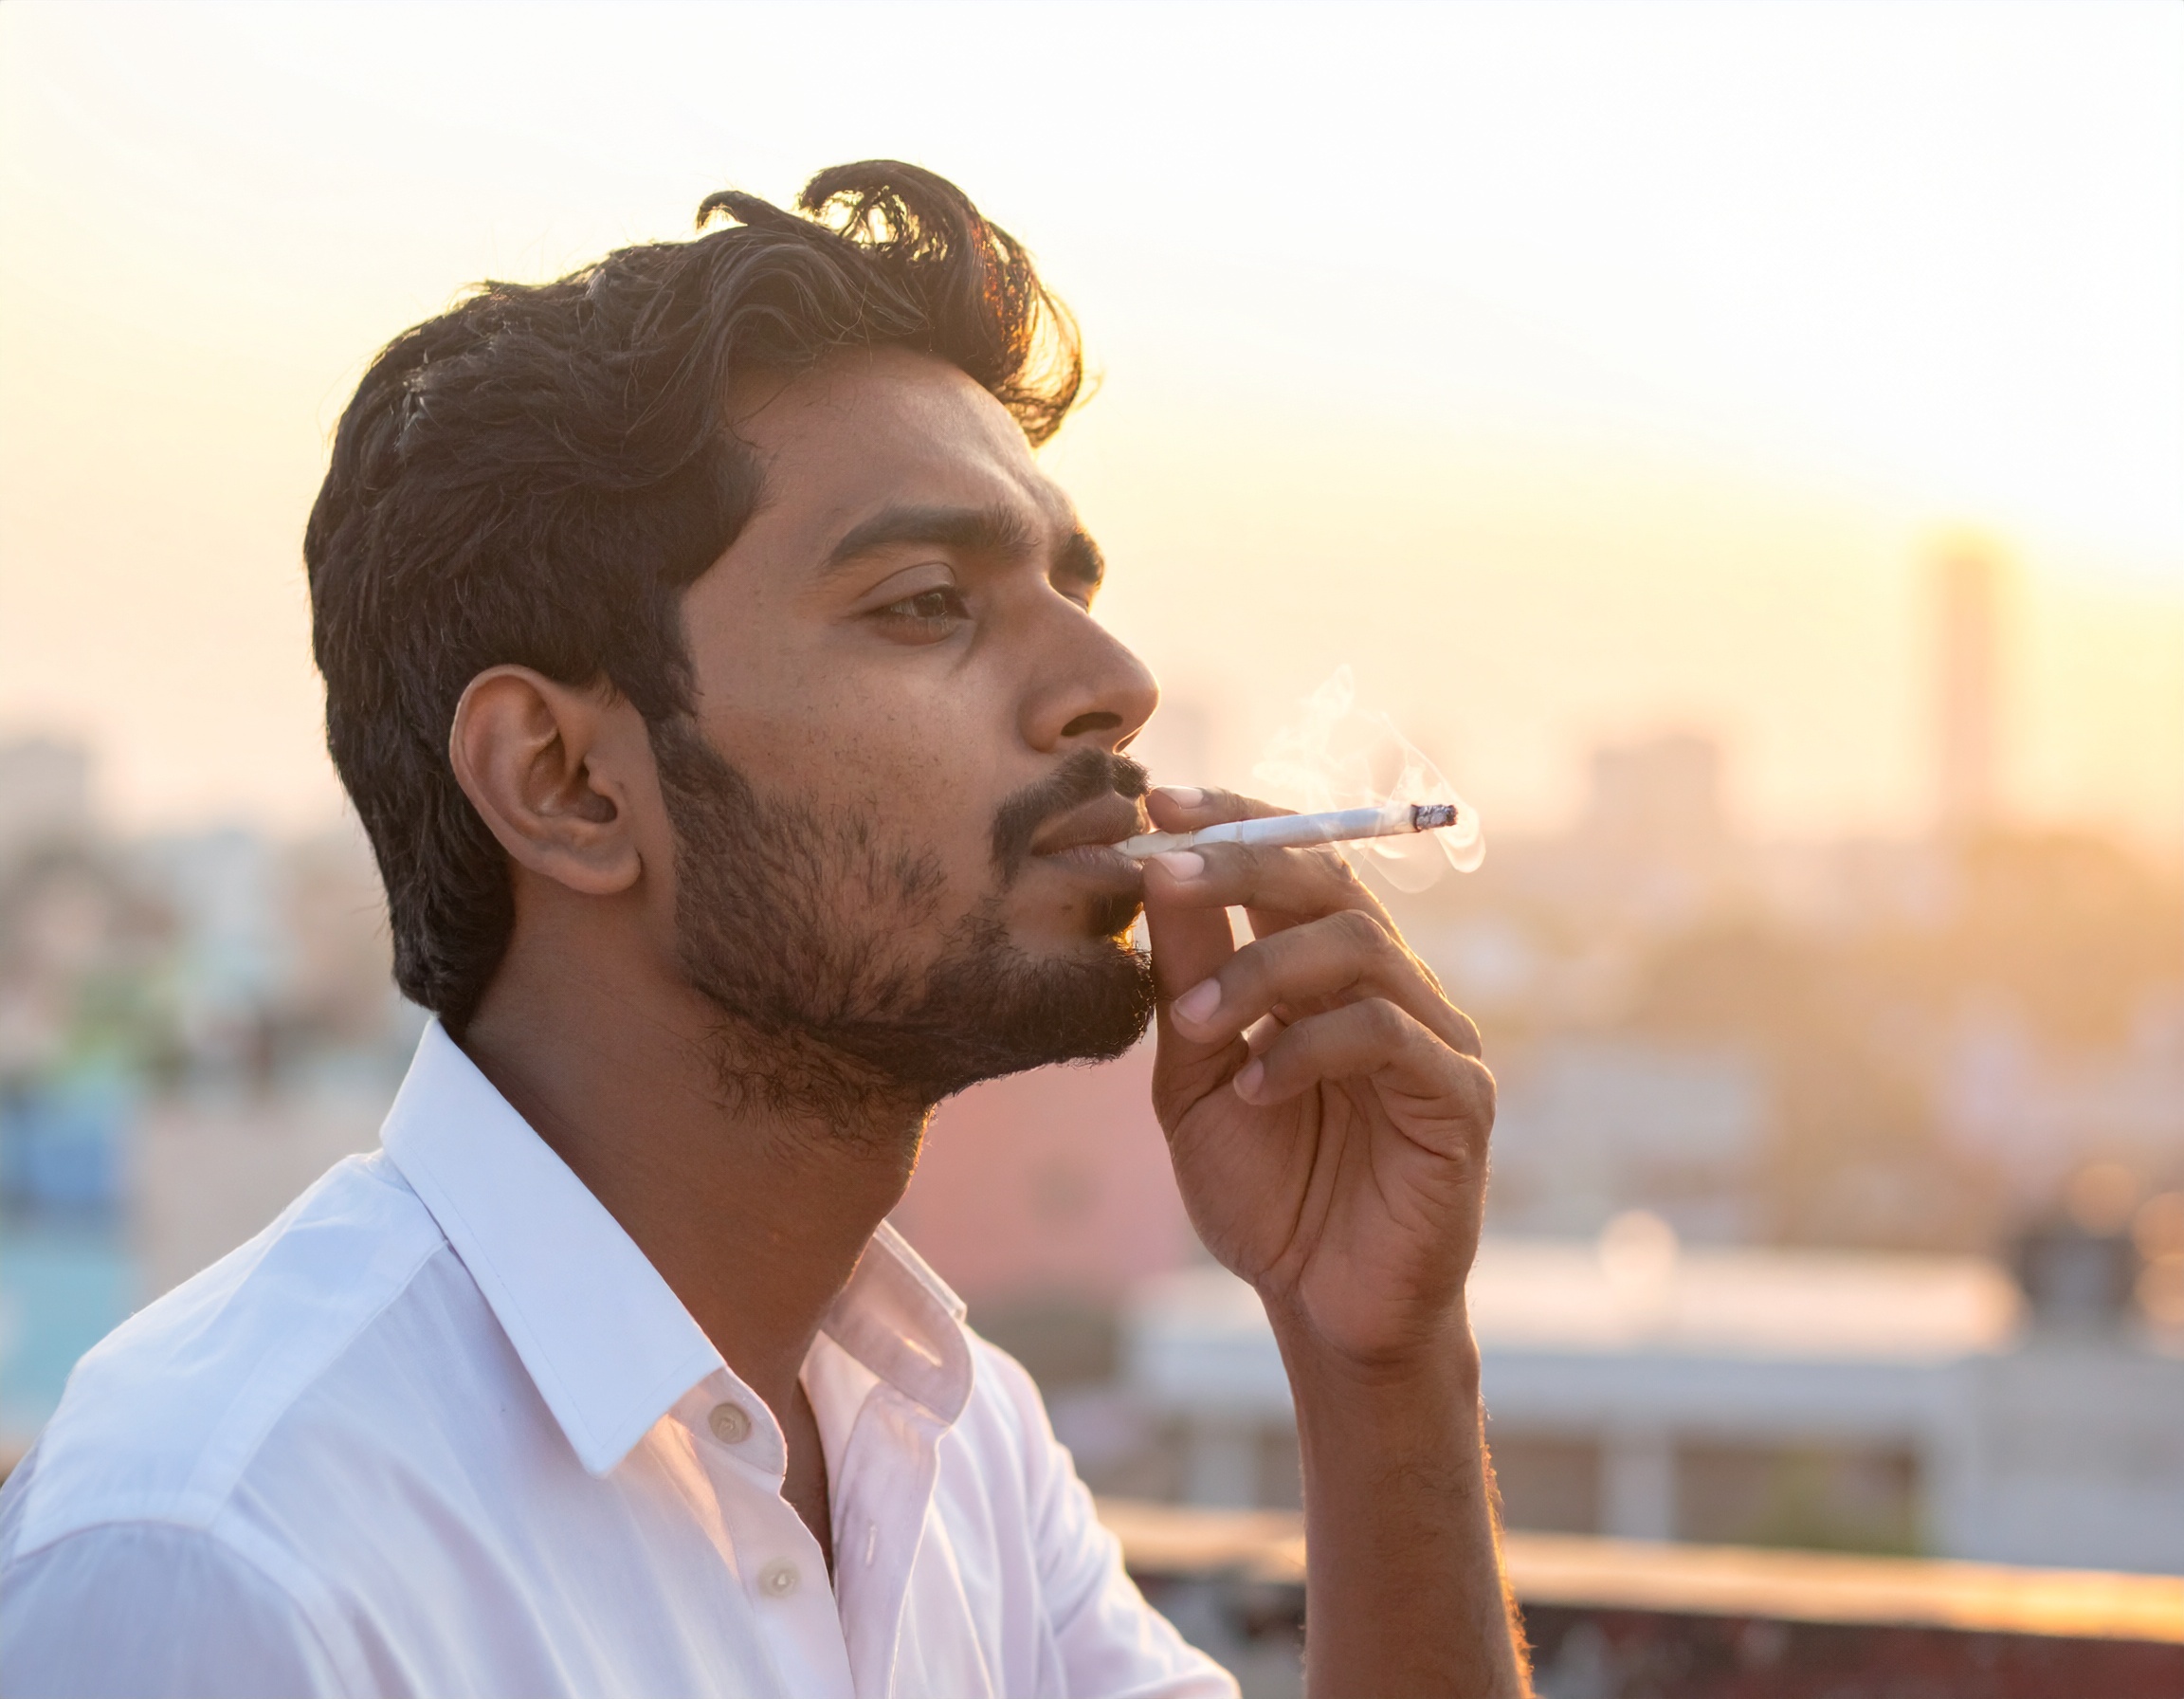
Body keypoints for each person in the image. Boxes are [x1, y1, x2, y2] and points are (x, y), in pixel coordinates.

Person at [0, 162, 1523, 1698]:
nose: (1114, 679)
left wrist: (1377, 1369)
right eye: (928, 602)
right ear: (569, 782)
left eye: (1069, 585)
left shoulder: (944, 1440)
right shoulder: (227, 1564)